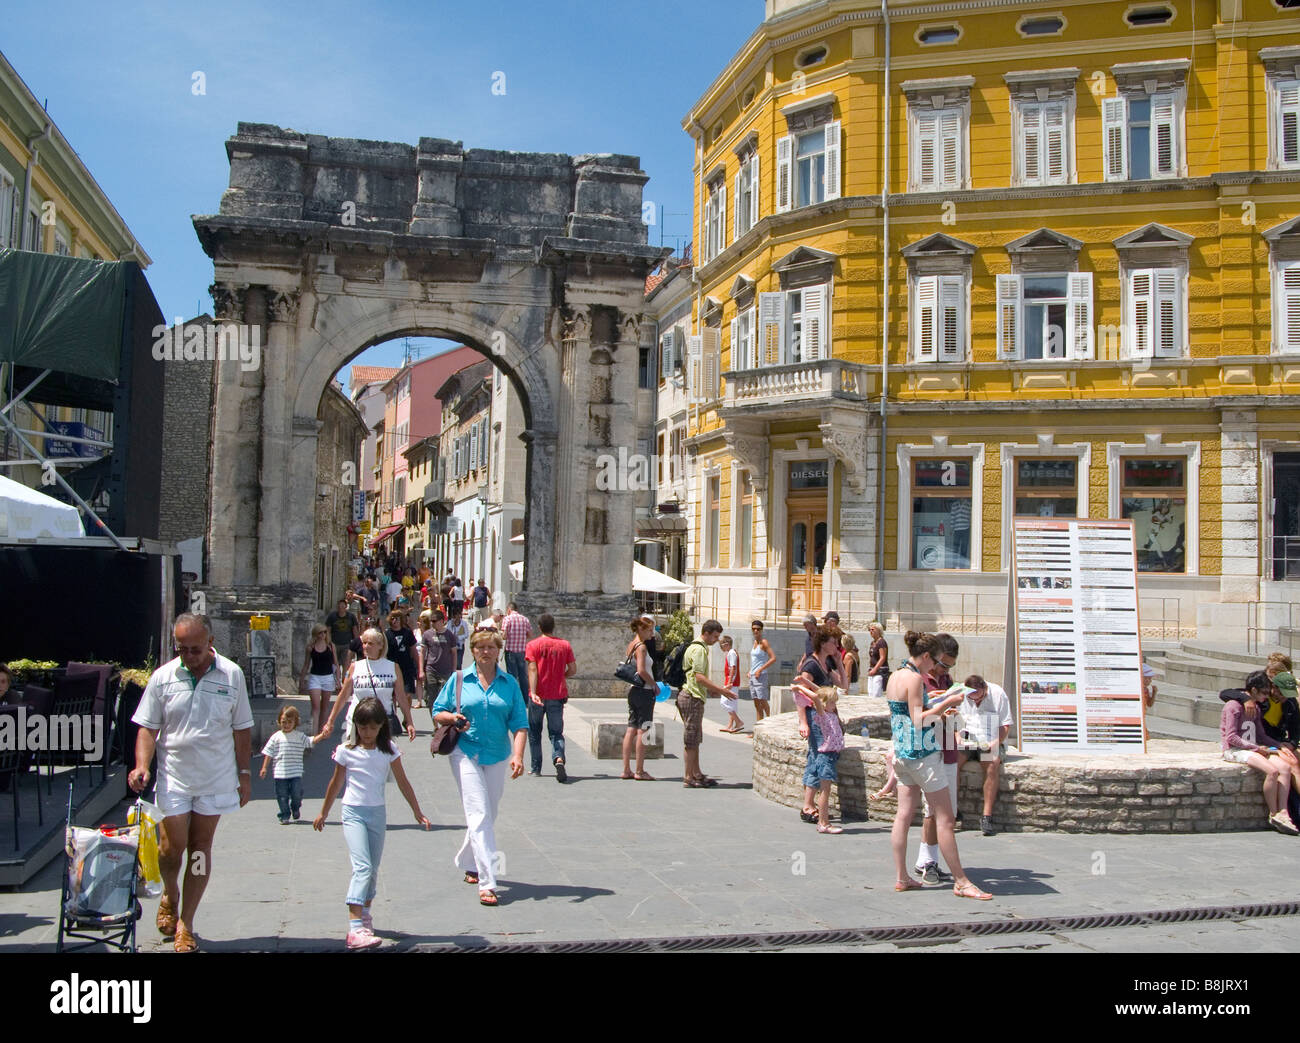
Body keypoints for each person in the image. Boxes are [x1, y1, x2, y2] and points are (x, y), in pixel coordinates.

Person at [129, 612, 254, 952]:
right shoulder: (163, 678)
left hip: (215, 778)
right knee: (172, 850)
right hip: (175, 777)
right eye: (181, 649)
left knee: (199, 849)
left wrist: (244, 774)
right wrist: (142, 765)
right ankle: (170, 893)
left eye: (195, 649)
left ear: (210, 643)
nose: (188, 655)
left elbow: (242, 728)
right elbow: (147, 727)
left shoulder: (231, 675)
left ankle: (187, 922)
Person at [314, 698, 430, 949]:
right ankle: (355, 928)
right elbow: (335, 784)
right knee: (363, 866)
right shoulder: (347, 750)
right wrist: (323, 812)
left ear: (381, 727)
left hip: (377, 813)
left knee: (373, 868)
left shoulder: (388, 749)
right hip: (353, 811)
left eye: (372, 728)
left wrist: (417, 811)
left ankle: (365, 914)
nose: (367, 733)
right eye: (362, 728)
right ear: (356, 726)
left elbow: (403, 781)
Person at [887, 630, 991, 899]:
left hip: (901, 754)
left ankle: (902, 876)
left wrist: (935, 702)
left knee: (903, 815)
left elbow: (905, 714)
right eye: (933, 661)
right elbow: (920, 719)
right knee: (945, 819)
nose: (934, 667)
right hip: (922, 755)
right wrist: (947, 702)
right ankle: (961, 881)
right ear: (924, 656)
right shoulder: (914, 679)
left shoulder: (895, 676)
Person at [431, 628, 528, 906]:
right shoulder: (459, 679)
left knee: (489, 812)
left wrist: (518, 756)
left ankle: (467, 860)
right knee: (479, 811)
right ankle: (488, 881)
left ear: (499, 650)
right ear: (472, 650)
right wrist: (453, 716)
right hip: (466, 751)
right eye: (480, 647)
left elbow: (520, 724)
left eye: (491, 647)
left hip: (497, 753)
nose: (486, 651)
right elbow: (438, 710)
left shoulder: (509, 684)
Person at [1220, 671, 1297, 835]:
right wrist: (1256, 749)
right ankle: (1274, 813)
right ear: (1254, 690)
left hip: (1253, 747)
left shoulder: (1256, 707)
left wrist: (1280, 746)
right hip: (1235, 750)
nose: (1265, 697)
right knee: (1272, 771)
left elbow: (1261, 735)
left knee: (1284, 768)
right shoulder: (1233, 706)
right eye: (1263, 693)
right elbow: (1231, 737)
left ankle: (1284, 812)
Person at [915, 633, 963, 881]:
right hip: (931, 749)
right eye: (943, 664)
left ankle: (927, 858)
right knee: (933, 810)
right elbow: (918, 718)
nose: (945, 670)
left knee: (947, 812)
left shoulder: (946, 679)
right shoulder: (920, 681)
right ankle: (929, 861)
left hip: (948, 748)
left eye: (950, 667)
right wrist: (943, 712)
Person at [319, 629, 416, 746]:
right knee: (356, 759)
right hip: (358, 721)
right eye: (364, 643)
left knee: (382, 760)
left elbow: (401, 697)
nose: (366, 646)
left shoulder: (392, 667)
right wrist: (330, 721)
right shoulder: (355, 667)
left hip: (382, 722)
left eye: (370, 643)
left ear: (380, 645)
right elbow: (343, 696)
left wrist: (409, 722)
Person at [795, 626, 843, 822]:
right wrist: (802, 722)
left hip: (825, 718)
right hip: (816, 718)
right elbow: (799, 693)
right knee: (817, 758)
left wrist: (839, 663)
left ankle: (810, 804)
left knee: (816, 757)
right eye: (833, 642)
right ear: (823, 643)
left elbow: (843, 685)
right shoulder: (811, 665)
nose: (836, 645)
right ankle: (808, 805)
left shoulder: (827, 663)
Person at [956, 675, 1013, 836]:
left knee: (991, 765)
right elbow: (954, 717)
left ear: (985, 690)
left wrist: (996, 742)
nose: (976, 702)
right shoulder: (961, 692)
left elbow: (1006, 724)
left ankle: (986, 816)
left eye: (979, 698)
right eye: (971, 699)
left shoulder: (997, 694)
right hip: (968, 738)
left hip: (989, 738)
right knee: (951, 763)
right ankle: (953, 809)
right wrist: (956, 735)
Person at [525, 612, 577, 781]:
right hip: (557, 693)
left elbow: (533, 669)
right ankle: (558, 757)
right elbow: (573, 669)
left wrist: (533, 691)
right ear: (554, 627)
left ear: (539, 627)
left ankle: (536, 767)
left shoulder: (533, 645)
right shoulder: (564, 645)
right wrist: (562, 676)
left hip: (538, 694)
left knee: (534, 732)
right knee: (556, 732)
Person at [680, 620, 728, 788]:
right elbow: (699, 677)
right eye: (715, 636)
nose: (716, 640)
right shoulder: (700, 649)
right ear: (706, 633)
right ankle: (688, 777)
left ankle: (696, 772)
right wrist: (721, 690)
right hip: (692, 696)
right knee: (691, 740)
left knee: (695, 738)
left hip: (692, 695)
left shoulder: (694, 647)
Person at [794, 683, 846, 834]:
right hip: (825, 756)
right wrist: (799, 687)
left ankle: (823, 821)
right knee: (825, 790)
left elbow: (819, 692)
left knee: (826, 789)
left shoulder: (831, 714)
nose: (834, 705)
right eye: (831, 702)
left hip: (831, 755)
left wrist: (808, 684)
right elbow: (816, 696)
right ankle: (823, 822)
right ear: (823, 704)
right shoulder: (822, 715)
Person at [259, 705, 321, 824]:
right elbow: (269, 753)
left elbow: (310, 741)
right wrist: (264, 768)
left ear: (295, 722)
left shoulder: (299, 736)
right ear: (279, 722)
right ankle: (284, 815)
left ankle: (295, 807)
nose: (286, 725)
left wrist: (322, 735)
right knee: (282, 796)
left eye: (289, 722)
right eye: (283, 722)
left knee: (296, 794)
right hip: (280, 773)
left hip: (295, 772)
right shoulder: (276, 737)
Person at [623, 617, 660, 781]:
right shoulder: (642, 647)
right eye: (649, 630)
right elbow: (642, 671)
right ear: (641, 629)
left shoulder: (632, 645)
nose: (652, 633)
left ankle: (626, 769)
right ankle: (639, 770)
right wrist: (654, 685)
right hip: (644, 691)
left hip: (633, 691)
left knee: (631, 728)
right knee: (644, 729)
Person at [298, 624, 340, 735]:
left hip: (328, 677)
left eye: (324, 632)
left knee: (324, 706)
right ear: (316, 634)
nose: (323, 635)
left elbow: (335, 663)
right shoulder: (310, 648)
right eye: (320, 633)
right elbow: (306, 664)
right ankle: (314, 732)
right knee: (315, 706)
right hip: (315, 677)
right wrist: (301, 680)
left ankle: (322, 731)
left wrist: (338, 680)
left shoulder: (331, 646)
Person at [421, 608, 459, 711]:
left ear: (442, 621)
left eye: (434, 621)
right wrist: (421, 670)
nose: (432, 623)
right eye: (431, 621)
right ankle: (435, 725)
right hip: (431, 669)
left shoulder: (450, 635)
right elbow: (422, 652)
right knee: (431, 697)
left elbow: (454, 653)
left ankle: (443, 721)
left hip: (445, 670)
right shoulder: (427, 634)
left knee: (445, 697)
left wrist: (454, 670)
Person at [384, 609, 419, 709]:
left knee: (407, 693)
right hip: (392, 667)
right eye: (393, 618)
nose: (395, 620)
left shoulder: (407, 633)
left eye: (398, 618)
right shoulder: (387, 634)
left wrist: (420, 668)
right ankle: (393, 714)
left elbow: (414, 651)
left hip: (407, 667)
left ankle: (407, 715)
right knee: (393, 695)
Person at [502, 602, 533, 699]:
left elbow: (504, 636)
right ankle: (525, 698)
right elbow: (530, 634)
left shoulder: (507, 619)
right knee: (523, 675)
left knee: (512, 675)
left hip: (511, 650)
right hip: (522, 650)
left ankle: (513, 697)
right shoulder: (525, 619)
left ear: (509, 610)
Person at [748, 620, 774, 722]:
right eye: (753, 629)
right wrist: (750, 671)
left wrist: (760, 669)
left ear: (761, 630)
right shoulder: (754, 642)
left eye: (758, 629)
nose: (755, 631)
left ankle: (772, 723)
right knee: (756, 704)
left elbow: (773, 658)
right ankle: (758, 728)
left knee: (763, 702)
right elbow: (756, 660)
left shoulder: (764, 642)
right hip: (753, 676)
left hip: (761, 676)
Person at [325, 598, 359, 673]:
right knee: (334, 662)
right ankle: (336, 678)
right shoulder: (332, 616)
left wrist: (356, 643)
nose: (341, 609)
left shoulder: (351, 617)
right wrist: (329, 642)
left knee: (346, 663)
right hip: (335, 643)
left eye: (343, 607)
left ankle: (344, 680)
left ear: (346, 607)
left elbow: (355, 630)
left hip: (347, 643)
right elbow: (328, 630)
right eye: (339, 607)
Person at [719, 635, 744, 733]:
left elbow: (733, 668)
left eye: (721, 644)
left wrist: (729, 683)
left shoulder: (731, 653)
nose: (721, 647)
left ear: (726, 644)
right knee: (732, 705)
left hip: (732, 683)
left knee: (724, 702)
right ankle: (730, 725)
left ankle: (738, 721)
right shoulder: (731, 652)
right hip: (733, 682)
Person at [866, 622, 890, 699]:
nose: (871, 631)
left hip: (879, 672)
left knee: (876, 694)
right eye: (870, 630)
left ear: (878, 630)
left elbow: (882, 657)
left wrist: (875, 669)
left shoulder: (881, 642)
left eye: (873, 629)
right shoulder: (872, 643)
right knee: (870, 693)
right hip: (872, 670)